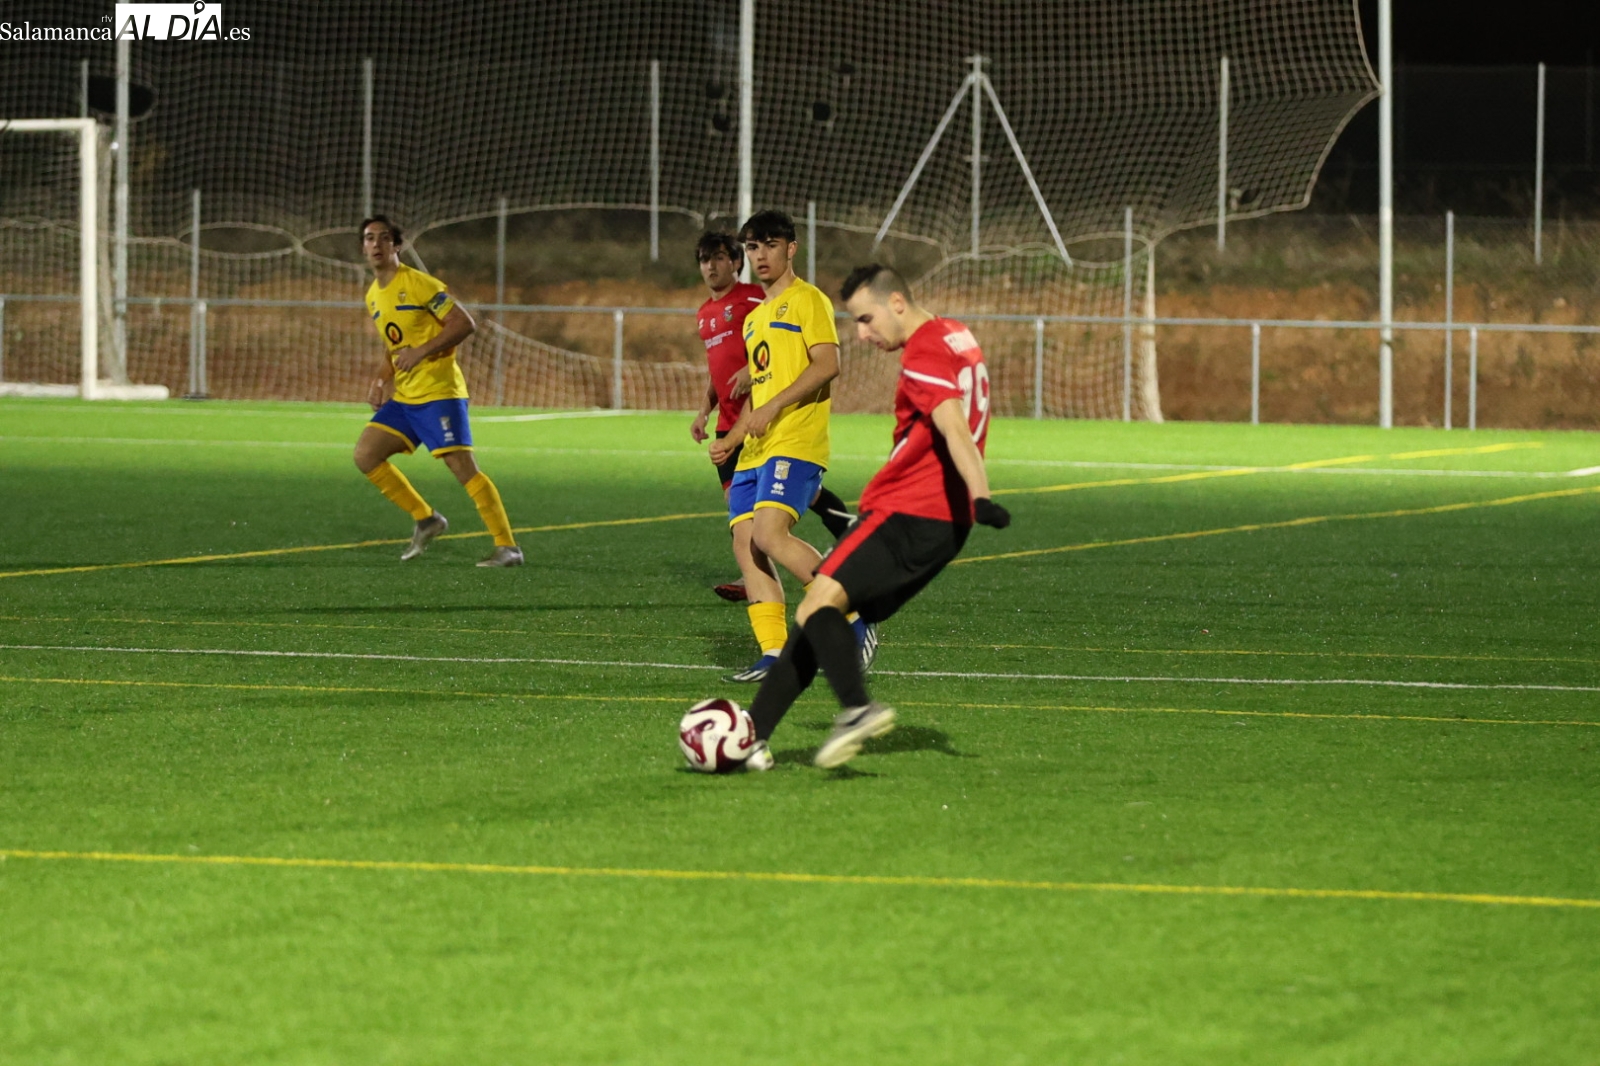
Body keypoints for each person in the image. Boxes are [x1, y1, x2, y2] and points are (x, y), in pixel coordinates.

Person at [737, 263, 1012, 772]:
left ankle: (856, 709)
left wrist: (982, 496)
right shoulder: (957, 334)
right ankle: (754, 737)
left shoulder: (924, 349)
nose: (862, 334)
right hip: (944, 528)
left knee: (817, 605)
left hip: (907, 513)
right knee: (817, 613)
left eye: (866, 319)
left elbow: (953, 426)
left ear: (897, 303)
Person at [709, 211, 868, 682]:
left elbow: (827, 365)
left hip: (795, 441)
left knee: (770, 535)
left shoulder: (808, 300)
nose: (761, 255)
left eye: (771, 245)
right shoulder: (755, 319)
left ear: (791, 248)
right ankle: (773, 653)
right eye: (753, 247)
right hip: (756, 450)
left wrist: (773, 407)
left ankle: (851, 615)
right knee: (746, 545)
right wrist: (732, 439)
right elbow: (760, 391)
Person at [691, 231, 853, 603]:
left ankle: (844, 569)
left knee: (773, 519)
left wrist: (752, 372)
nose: (711, 266)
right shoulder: (705, 314)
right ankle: (758, 581)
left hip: (769, 419)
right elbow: (718, 369)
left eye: (719, 258)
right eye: (704, 260)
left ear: (735, 262)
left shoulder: (755, 299)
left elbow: (774, 352)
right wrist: (704, 410)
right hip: (732, 424)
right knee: (747, 516)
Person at [351, 215, 523, 567]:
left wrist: (421, 352)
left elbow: (463, 323)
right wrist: (382, 379)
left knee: (462, 467)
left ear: (397, 246)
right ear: (363, 247)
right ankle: (426, 518)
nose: (376, 244)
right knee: (366, 455)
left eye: (384, 238)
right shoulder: (373, 295)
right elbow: (394, 346)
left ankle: (508, 547)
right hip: (406, 397)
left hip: (439, 392)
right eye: (369, 238)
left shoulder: (420, 284)